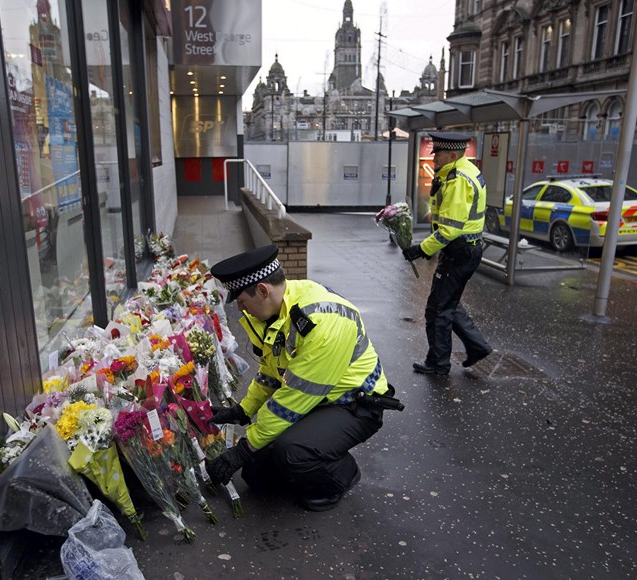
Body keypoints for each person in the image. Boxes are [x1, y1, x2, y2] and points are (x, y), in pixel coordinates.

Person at [205, 245, 398, 511]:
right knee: (255, 477)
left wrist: (242, 449)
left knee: (292, 451)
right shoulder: (276, 309)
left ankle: (341, 475)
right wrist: (242, 410)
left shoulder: (323, 323)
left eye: (241, 302)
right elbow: (272, 372)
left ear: (262, 290)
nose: (240, 309)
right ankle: (306, 462)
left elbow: (293, 398)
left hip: (354, 406)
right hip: (316, 400)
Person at [402, 132, 493, 376]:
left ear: (452, 155)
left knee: (437, 310)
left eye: (438, 155)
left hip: (459, 251)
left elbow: (450, 228)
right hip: (463, 249)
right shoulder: (462, 172)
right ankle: (477, 347)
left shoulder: (457, 180)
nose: (434, 160)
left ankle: (438, 363)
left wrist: (421, 249)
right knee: (448, 303)